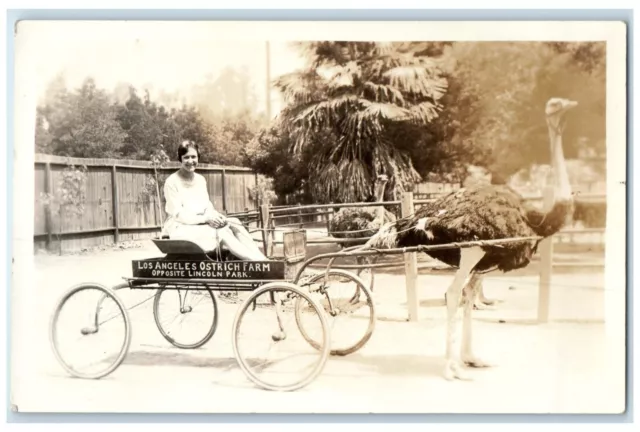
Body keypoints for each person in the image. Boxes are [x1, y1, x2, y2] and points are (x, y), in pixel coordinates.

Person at [161, 140, 268, 261]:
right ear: (180, 159)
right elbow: (179, 215)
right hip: (181, 227)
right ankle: (257, 262)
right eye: (186, 157)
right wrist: (206, 219)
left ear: (198, 157)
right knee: (221, 232)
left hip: (201, 223)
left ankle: (263, 260)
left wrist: (217, 217)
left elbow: (207, 207)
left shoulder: (200, 180)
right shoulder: (171, 182)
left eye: (193, 157)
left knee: (233, 222)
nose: (190, 161)